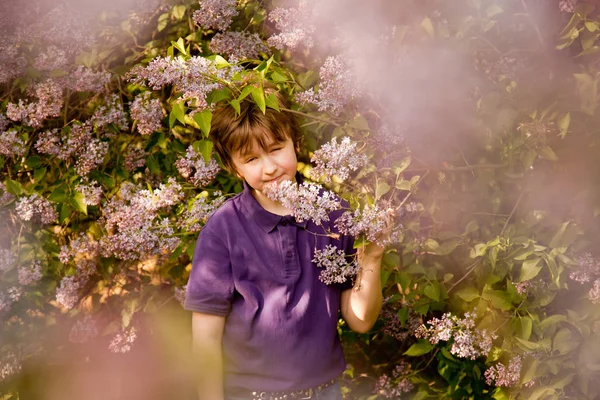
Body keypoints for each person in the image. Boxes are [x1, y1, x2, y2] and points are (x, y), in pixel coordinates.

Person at [184, 91, 384, 400]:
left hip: (324, 391)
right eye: (251, 159)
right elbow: (206, 339)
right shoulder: (223, 229)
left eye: (277, 149)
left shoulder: (334, 213)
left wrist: (371, 260)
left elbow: (360, 320)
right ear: (236, 169)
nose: (269, 168)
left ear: (295, 143)